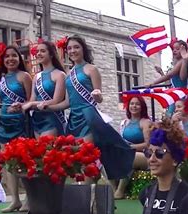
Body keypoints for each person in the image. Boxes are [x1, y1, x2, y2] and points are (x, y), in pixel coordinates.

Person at [41, 35, 135, 182]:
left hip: (88, 117)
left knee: (86, 157)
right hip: (73, 118)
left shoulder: (91, 69)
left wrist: (97, 95)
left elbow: (99, 97)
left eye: (76, 47)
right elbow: (67, 102)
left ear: (83, 49)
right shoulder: (68, 74)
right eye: (70, 48)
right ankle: (101, 191)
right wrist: (47, 106)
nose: (73, 51)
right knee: (77, 160)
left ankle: (90, 194)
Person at [0, 45, 32, 212]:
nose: (10, 59)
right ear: (2, 60)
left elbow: (31, 102)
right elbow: (3, 103)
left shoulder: (24, 76)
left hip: (21, 123)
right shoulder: (1, 78)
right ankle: (15, 199)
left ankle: (29, 199)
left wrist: (21, 106)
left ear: (19, 58)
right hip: (4, 123)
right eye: (7, 56)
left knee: (23, 162)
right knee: (8, 164)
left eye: (14, 56)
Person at [133, 118, 188, 214]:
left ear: (175, 160)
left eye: (159, 153)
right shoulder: (147, 192)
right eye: (148, 153)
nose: (151, 159)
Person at [14, 41, 66, 137]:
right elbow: (32, 100)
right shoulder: (36, 77)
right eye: (37, 51)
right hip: (37, 119)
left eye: (42, 51)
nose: (38, 54)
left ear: (51, 54)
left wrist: (31, 103)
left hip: (51, 119)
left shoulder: (60, 75)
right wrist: (21, 105)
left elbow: (56, 100)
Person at [116, 96, 152, 199]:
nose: (134, 106)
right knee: (105, 156)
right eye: (132, 104)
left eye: (137, 104)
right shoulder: (124, 123)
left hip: (145, 156)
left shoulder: (145, 122)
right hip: (127, 152)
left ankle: (120, 190)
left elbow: (148, 144)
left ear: (142, 107)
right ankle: (113, 188)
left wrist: (131, 147)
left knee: (129, 157)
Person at [146, 40, 188, 117]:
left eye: (177, 49)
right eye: (173, 49)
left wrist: (153, 83)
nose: (174, 51)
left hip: (180, 94)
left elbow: (169, 75)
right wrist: (161, 73)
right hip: (176, 93)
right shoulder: (177, 63)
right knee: (169, 114)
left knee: (170, 115)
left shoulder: (182, 62)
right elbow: (171, 81)